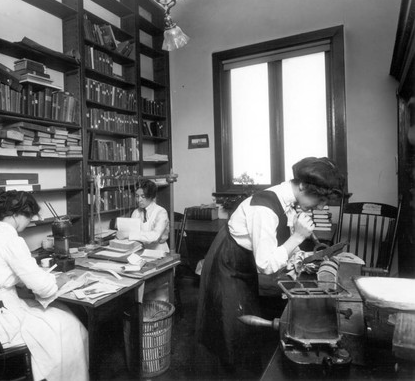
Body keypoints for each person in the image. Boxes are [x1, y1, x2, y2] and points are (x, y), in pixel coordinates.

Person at [195, 157, 345, 377]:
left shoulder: (289, 201)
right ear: (302, 185)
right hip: (227, 263)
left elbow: (278, 244)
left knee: (244, 329)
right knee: (230, 329)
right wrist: (297, 237)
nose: (322, 206)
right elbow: (266, 264)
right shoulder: (264, 209)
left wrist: (303, 254)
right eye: (320, 199)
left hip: (243, 261)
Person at [0, 190, 89, 381]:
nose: (29, 222)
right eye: (28, 216)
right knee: (68, 324)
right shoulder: (11, 240)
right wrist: (59, 280)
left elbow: (0, 273)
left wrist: (32, 278)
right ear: (16, 215)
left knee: (59, 312)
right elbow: (44, 288)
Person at [116, 179, 170, 252]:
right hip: (140, 250)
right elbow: (133, 233)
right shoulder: (136, 212)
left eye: (143, 196)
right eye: (137, 196)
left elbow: (154, 236)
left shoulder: (161, 212)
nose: (139, 200)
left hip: (158, 252)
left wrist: (128, 234)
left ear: (151, 196)